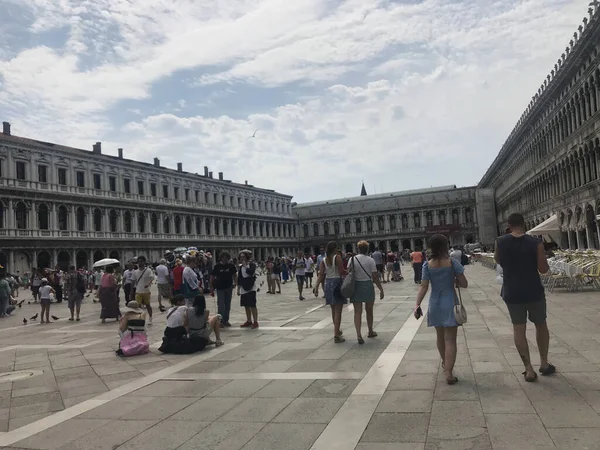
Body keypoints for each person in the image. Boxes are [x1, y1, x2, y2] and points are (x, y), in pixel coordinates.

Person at [494, 213, 554, 383]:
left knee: (518, 328)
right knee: (541, 325)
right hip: (533, 290)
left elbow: (498, 260)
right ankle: (543, 363)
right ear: (524, 224)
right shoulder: (536, 243)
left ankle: (528, 369)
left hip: (512, 291)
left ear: (509, 225)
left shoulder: (500, 241)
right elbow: (543, 269)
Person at [414, 234, 468, 385]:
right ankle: (449, 373)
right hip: (450, 301)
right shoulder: (452, 263)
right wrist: (455, 280)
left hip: (435, 303)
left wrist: (417, 304)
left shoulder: (427, 265)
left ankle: (445, 363)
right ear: (446, 246)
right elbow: (464, 284)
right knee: (450, 339)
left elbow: (423, 286)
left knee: (440, 337)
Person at [347, 241, 384, 344]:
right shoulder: (370, 260)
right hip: (367, 285)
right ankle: (370, 331)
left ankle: (359, 335)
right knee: (369, 311)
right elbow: (375, 277)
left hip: (356, 286)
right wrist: (380, 289)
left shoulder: (352, 259)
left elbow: (348, 272)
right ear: (367, 249)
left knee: (357, 312)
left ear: (358, 249)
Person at [314, 241, 347, 343]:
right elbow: (341, 272)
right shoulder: (337, 257)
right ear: (335, 249)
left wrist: (316, 286)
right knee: (338, 311)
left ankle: (337, 330)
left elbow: (321, 274)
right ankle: (336, 335)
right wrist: (349, 270)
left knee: (333, 310)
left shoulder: (324, 259)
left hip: (328, 284)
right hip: (337, 283)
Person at [210, 252, 237, 327]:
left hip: (229, 287)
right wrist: (211, 286)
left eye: (226, 258)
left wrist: (235, 283)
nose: (225, 260)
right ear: (221, 258)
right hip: (220, 287)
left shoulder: (231, 266)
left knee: (228, 305)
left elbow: (235, 275)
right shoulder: (217, 266)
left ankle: (226, 320)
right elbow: (212, 276)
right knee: (221, 305)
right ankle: (220, 321)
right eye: (223, 258)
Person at [238, 250, 258, 329]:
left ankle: (255, 321)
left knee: (252, 305)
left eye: (243, 257)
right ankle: (249, 320)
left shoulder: (251, 265)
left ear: (247, 257)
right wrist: (238, 289)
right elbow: (239, 278)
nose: (242, 258)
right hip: (244, 287)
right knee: (246, 305)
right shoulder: (240, 267)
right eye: (241, 257)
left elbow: (251, 273)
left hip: (251, 287)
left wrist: (246, 266)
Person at [132, 257, 155, 325]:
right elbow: (133, 281)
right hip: (138, 290)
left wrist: (148, 284)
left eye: (141, 261)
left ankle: (150, 318)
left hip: (146, 291)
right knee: (138, 306)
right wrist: (131, 291)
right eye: (139, 261)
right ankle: (140, 318)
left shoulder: (148, 270)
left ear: (144, 262)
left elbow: (151, 278)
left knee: (147, 305)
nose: (140, 263)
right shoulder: (135, 271)